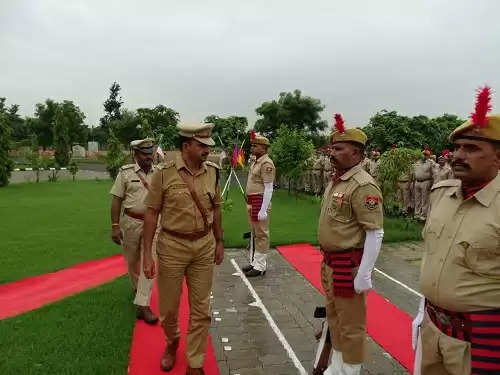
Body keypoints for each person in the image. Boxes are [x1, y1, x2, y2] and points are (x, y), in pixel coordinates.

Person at [412, 86, 500, 375]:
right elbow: (434, 256)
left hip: (481, 343)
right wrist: (421, 310)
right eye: (458, 147)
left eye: (472, 149)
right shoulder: (442, 193)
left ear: (498, 157)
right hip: (433, 328)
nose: (458, 155)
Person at [142, 123, 224, 375]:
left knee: (201, 308)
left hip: (203, 246)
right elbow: (152, 213)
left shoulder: (213, 172)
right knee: (167, 309)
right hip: (172, 246)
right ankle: (172, 340)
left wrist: (219, 241)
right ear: (186, 146)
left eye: (208, 146)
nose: (207, 151)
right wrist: (147, 254)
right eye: (201, 145)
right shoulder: (164, 173)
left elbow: (216, 208)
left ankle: (195, 362)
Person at [315, 114, 384, 375]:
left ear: (356, 153)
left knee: (351, 324)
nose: (332, 152)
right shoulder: (338, 179)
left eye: (339, 148)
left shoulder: (362, 185)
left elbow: (375, 233)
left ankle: (350, 370)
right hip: (330, 263)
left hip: (347, 266)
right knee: (335, 319)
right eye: (332, 147)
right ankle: (337, 366)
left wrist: (365, 273)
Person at [110, 138, 158, 325]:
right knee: (132, 262)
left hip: (153, 224)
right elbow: (116, 201)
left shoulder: (159, 173)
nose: (148, 157)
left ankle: (143, 304)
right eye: (144, 154)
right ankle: (139, 291)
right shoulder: (125, 174)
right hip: (130, 222)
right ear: (135, 154)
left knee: (149, 260)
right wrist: (115, 226)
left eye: (150, 153)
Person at [242, 131, 276, 277]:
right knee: (255, 233)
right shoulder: (256, 161)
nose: (252, 147)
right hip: (252, 201)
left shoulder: (266, 163)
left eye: (255, 145)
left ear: (263, 147)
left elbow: (268, 187)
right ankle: (256, 262)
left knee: (262, 234)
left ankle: (261, 265)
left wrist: (263, 209)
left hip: (260, 201)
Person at [412, 147, 437, 220]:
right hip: (417, 182)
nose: (424, 156)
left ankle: (424, 215)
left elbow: (434, 173)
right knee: (417, 199)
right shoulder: (417, 162)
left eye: (426, 154)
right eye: (423, 154)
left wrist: (432, 183)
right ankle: (417, 214)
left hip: (426, 181)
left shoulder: (431, 163)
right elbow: (414, 173)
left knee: (425, 199)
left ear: (428, 155)